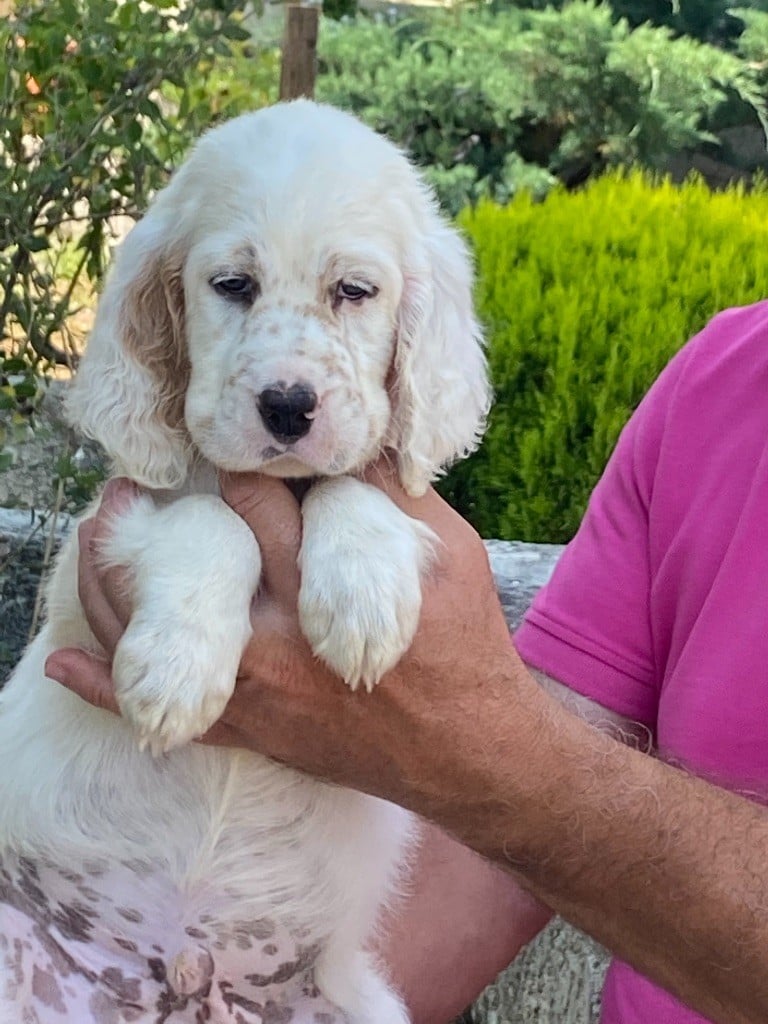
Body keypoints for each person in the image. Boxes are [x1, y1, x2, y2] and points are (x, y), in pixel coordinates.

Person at [45, 301, 768, 1024]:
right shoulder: (721, 375)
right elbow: (501, 849)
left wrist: (468, 745)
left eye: (350, 293)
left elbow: (510, 775)